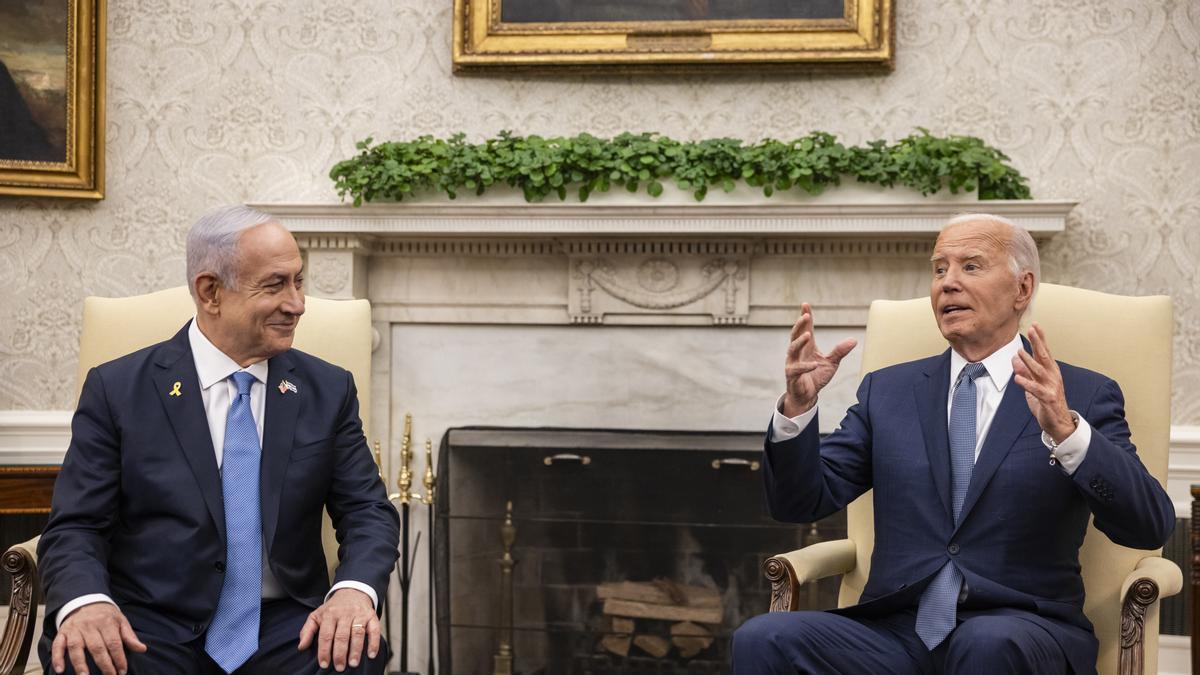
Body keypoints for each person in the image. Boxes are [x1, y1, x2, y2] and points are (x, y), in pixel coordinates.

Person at [732, 213, 1174, 674]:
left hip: (1021, 627)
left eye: (971, 266)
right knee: (763, 638)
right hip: (895, 631)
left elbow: (1147, 526)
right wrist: (797, 410)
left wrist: (1068, 433)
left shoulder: (1079, 395)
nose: (948, 283)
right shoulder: (889, 391)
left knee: (985, 643)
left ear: (1022, 289)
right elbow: (799, 503)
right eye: (939, 269)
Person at [37, 205, 401, 675]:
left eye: (299, 281)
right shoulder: (119, 389)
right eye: (275, 284)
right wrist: (86, 603)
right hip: (149, 624)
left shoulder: (327, 390)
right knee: (85, 657)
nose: (297, 303)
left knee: (354, 655)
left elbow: (367, 511)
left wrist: (353, 591)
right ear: (211, 292)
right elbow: (75, 526)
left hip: (287, 626)